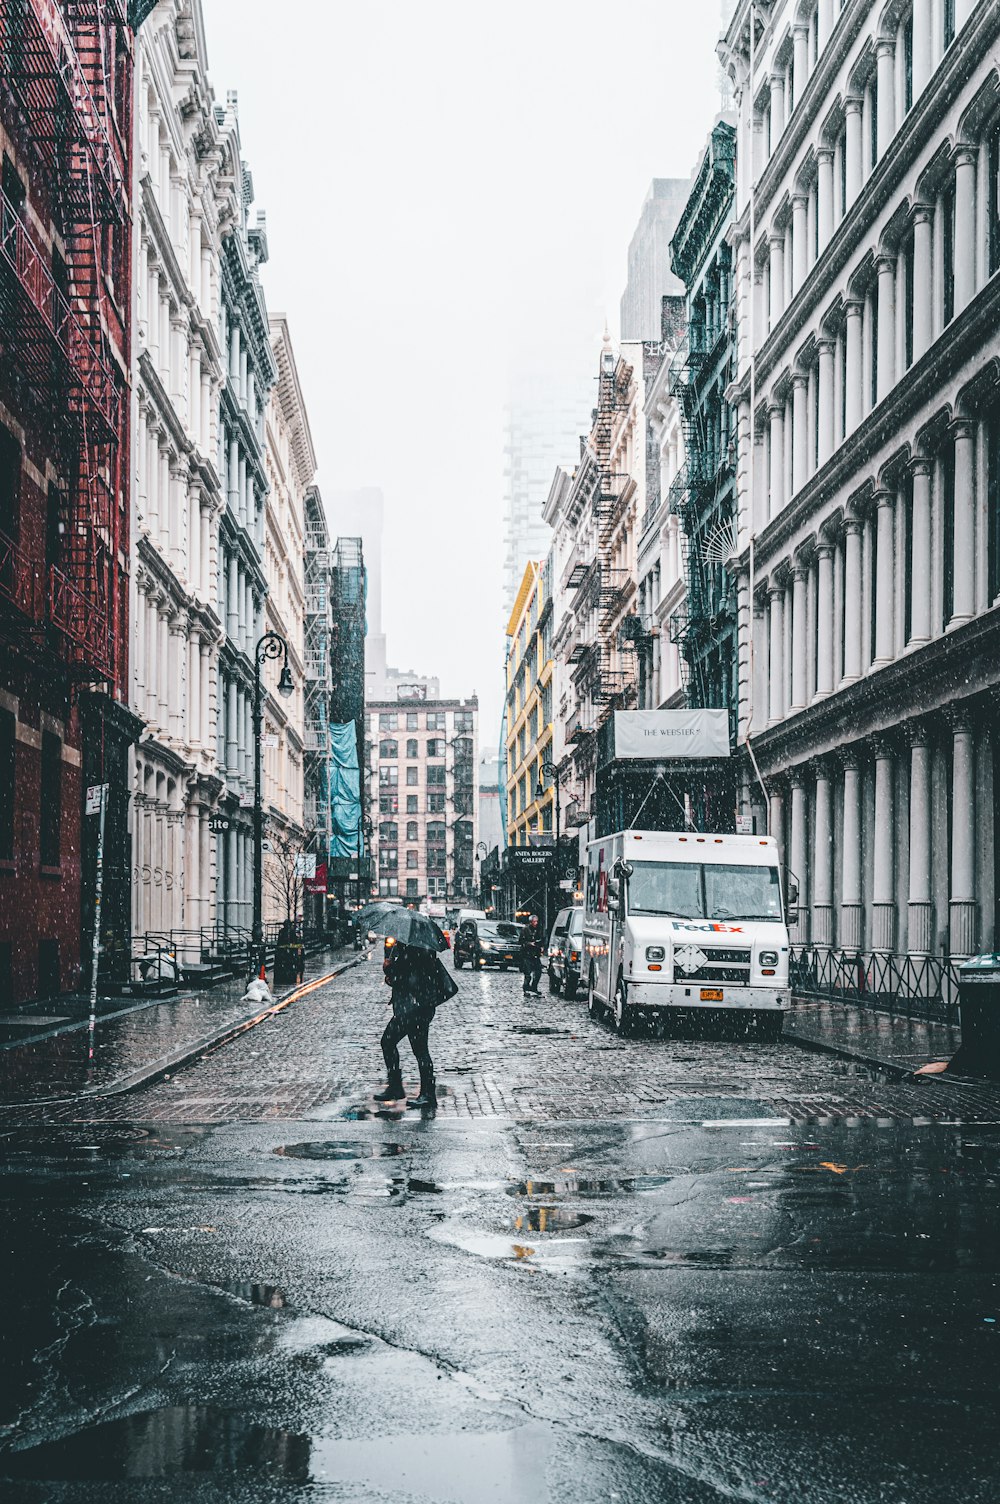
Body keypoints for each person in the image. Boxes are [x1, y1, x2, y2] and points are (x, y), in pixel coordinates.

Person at [375, 940, 455, 1108]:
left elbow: (410, 977)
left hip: (413, 1008)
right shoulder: (417, 948)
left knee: (389, 1042)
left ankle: (413, 1091)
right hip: (417, 1007)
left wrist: (389, 967)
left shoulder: (414, 949)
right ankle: (421, 1092)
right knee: (419, 1050)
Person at [519, 914, 543, 996]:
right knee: (528, 973)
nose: (535, 923)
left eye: (536, 921)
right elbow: (521, 942)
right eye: (534, 921)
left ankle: (534, 987)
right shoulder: (525, 930)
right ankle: (526, 988)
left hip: (536, 954)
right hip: (527, 955)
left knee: (538, 972)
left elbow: (541, 939)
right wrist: (529, 944)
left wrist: (541, 946)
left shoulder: (538, 929)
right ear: (530, 922)